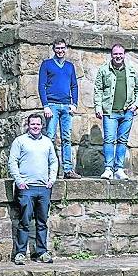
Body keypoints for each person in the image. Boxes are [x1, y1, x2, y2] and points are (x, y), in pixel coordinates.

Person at [8, 114, 59, 265]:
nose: (35, 127)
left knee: (42, 222)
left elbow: (53, 161)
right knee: (24, 221)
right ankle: (20, 253)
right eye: (32, 124)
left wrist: (52, 179)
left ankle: (42, 252)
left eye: (38, 124)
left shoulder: (47, 142)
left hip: (43, 188)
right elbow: (12, 162)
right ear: (28, 125)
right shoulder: (20, 141)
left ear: (42, 125)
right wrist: (19, 181)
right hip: (26, 188)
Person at [94, 44, 138, 180]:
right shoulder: (104, 70)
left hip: (127, 112)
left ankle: (119, 169)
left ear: (124, 55)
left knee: (122, 141)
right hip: (110, 112)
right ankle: (108, 169)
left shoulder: (131, 70)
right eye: (115, 54)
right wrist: (98, 107)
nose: (118, 56)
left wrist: (136, 104)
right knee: (109, 140)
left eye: (120, 54)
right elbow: (98, 89)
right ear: (111, 55)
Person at [37, 38, 81, 179]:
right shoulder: (47, 64)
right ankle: (49, 170)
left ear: (66, 49)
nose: (60, 51)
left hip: (66, 106)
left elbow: (74, 86)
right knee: (50, 137)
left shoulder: (69, 66)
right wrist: (45, 105)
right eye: (57, 48)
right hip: (52, 105)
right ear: (53, 49)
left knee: (66, 138)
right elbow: (41, 85)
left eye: (62, 48)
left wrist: (74, 104)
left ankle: (68, 170)